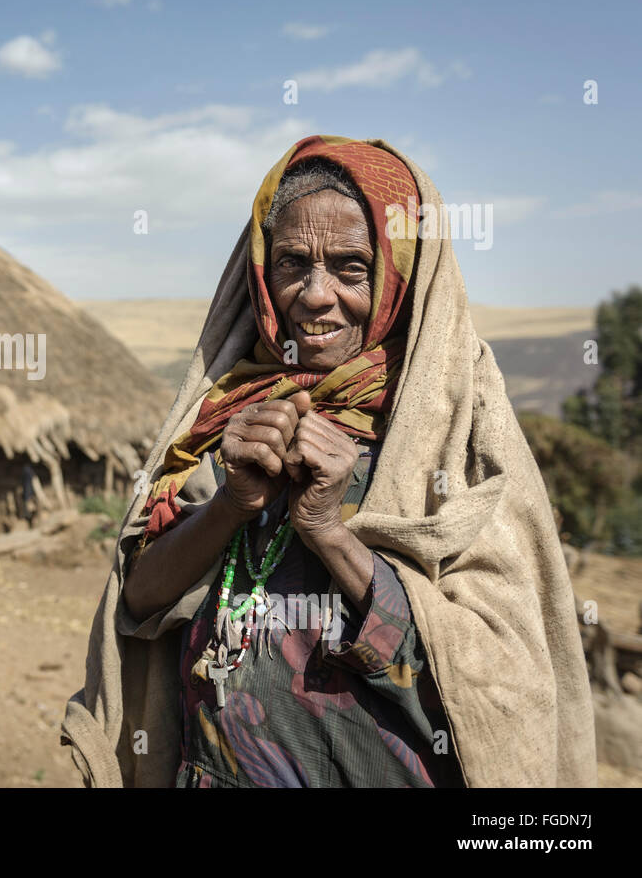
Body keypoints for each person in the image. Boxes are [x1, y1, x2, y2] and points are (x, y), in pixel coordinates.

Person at [60, 135, 596, 787]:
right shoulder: (228, 418)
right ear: (262, 274)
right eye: (293, 263)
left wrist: (330, 534)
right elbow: (139, 600)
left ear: (398, 276)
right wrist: (231, 503)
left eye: (349, 267)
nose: (316, 295)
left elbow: (501, 689)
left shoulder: (453, 432)